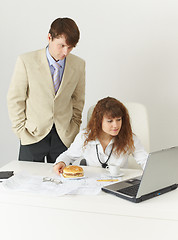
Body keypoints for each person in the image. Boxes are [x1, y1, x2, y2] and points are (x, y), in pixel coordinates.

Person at [7, 17, 85, 163]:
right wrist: (20, 130)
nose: (65, 52)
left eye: (70, 47)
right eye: (61, 45)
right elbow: (15, 98)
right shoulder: (26, 61)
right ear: (49, 37)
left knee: (61, 183)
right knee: (28, 182)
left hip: (63, 136)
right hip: (32, 134)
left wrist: (74, 127)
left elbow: (78, 100)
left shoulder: (79, 65)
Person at [53, 97, 148, 175]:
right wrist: (61, 162)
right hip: (92, 184)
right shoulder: (85, 136)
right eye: (110, 121)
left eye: (118, 120)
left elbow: (144, 160)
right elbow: (69, 155)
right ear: (99, 121)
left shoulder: (129, 138)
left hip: (118, 185)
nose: (115, 125)